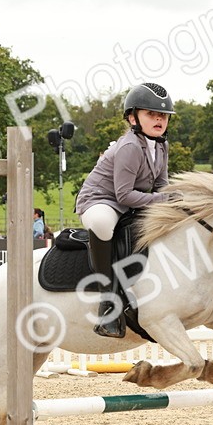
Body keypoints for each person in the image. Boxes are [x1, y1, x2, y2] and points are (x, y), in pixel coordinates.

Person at [74, 82, 174, 338]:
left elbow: (161, 185)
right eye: (151, 114)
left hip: (131, 201)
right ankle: (108, 301)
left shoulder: (161, 145)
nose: (159, 119)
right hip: (101, 200)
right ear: (133, 118)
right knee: (102, 224)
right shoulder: (129, 146)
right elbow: (124, 195)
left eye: (162, 115)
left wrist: (174, 200)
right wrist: (163, 200)